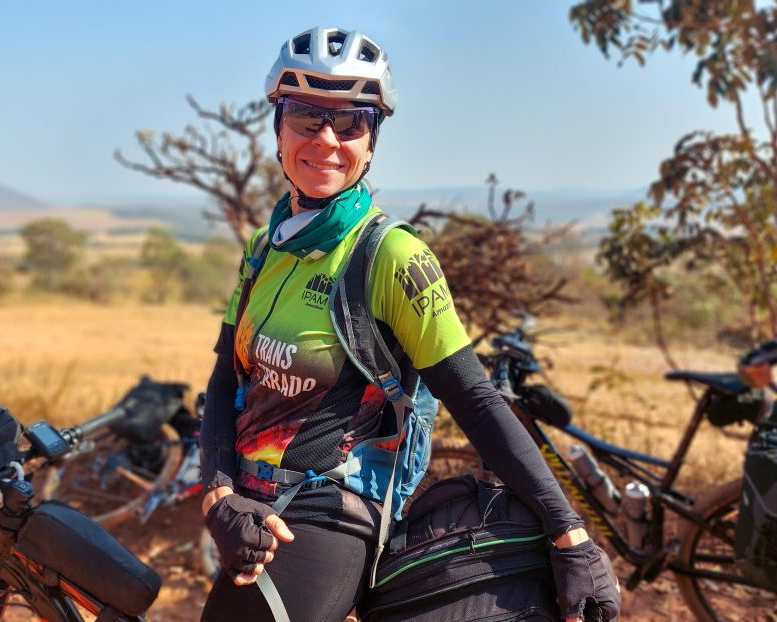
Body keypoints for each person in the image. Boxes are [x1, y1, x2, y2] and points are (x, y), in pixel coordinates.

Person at [199, 27, 620, 622]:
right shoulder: (264, 249)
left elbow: (473, 398)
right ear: (278, 128)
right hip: (246, 503)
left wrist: (568, 531)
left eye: (350, 123)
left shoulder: (392, 256)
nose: (326, 139)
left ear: (372, 141)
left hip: (327, 514)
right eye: (305, 115)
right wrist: (218, 495)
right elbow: (223, 381)